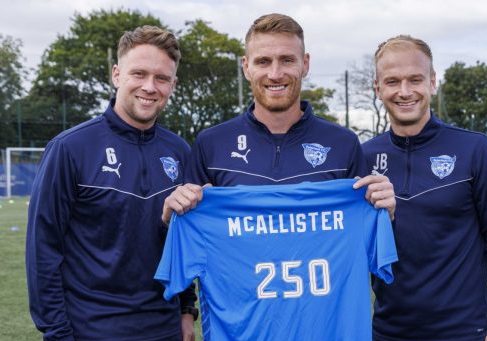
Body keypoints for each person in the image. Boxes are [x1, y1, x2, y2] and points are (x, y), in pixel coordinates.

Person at [26, 25, 197, 341]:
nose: (150, 87)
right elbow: (43, 250)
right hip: (95, 339)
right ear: (117, 75)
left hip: (163, 335)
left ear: (173, 86)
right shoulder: (70, 148)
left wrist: (185, 312)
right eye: (139, 73)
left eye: (162, 78)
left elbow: (185, 241)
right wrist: (59, 340)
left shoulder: (179, 151)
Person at [362, 35, 487, 341]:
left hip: (461, 340)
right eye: (392, 81)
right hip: (387, 339)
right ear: (378, 88)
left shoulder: (475, 149)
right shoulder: (363, 158)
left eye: (415, 79)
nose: (405, 91)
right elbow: (355, 252)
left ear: (432, 82)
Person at [161, 13, 395, 221]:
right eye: (263, 61)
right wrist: (173, 216)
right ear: (246, 67)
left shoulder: (343, 143)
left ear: (305, 64)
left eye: (287, 60)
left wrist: (385, 213)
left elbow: (364, 233)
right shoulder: (211, 144)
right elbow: (190, 232)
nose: (275, 74)